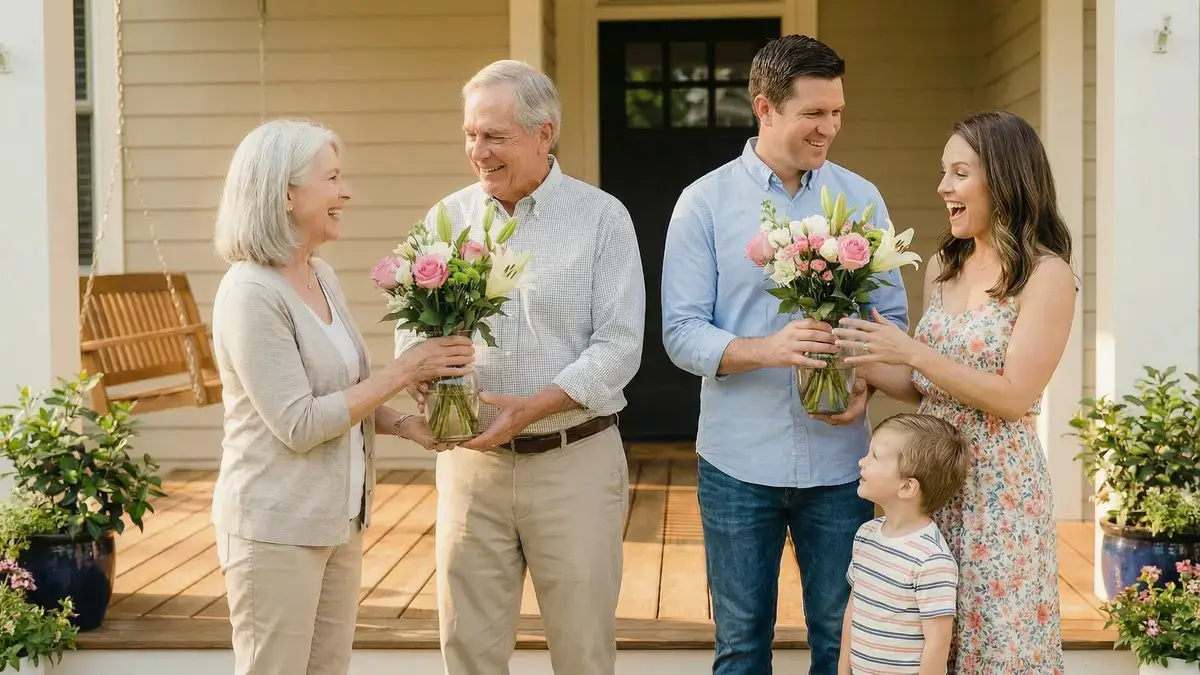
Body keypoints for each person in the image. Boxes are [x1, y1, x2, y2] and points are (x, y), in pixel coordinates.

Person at [661, 34, 909, 675]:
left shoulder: (862, 199)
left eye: (837, 112)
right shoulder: (704, 203)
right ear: (765, 107)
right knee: (741, 647)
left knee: (843, 640)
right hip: (737, 464)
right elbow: (680, 334)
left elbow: (893, 324)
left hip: (843, 466)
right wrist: (769, 350)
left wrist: (864, 383)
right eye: (813, 113)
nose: (829, 128)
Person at [394, 60, 645, 675]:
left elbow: (619, 346)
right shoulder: (446, 218)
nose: (478, 151)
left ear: (544, 133)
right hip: (471, 466)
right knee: (469, 653)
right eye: (470, 134)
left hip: (573, 460)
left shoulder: (602, 218)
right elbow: (412, 328)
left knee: (583, 653)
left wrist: (535, 407)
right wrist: (419, 373)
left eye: (494, 137)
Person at [210, 117, 476, 675]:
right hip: (277, 527)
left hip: (338, 520)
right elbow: (300, 423)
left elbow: (341, 394)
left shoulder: (320, 275)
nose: (346, 191)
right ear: (285, 193)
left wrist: (405, 425)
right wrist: (405, 370)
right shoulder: (251, 294)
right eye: (331, 179)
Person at [833, 109, 1076, 673]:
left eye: (960, 173)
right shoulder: (945, 264)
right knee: (918, 643)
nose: (943, 186)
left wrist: (911, 352)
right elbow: (928, 388)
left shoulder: (1046, 275)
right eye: (944, 172)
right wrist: (857, 359)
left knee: (993, 646)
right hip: (927, 485)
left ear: (1006, 179)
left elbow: (1014, 397)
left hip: (998, 493)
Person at [838, 413, 971, 675]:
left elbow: (937, 645)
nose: (862, 461)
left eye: (874, 456)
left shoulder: (931, 560)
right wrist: (843, 669)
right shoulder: (866, 535)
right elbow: (854, 608)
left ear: (907, 487)